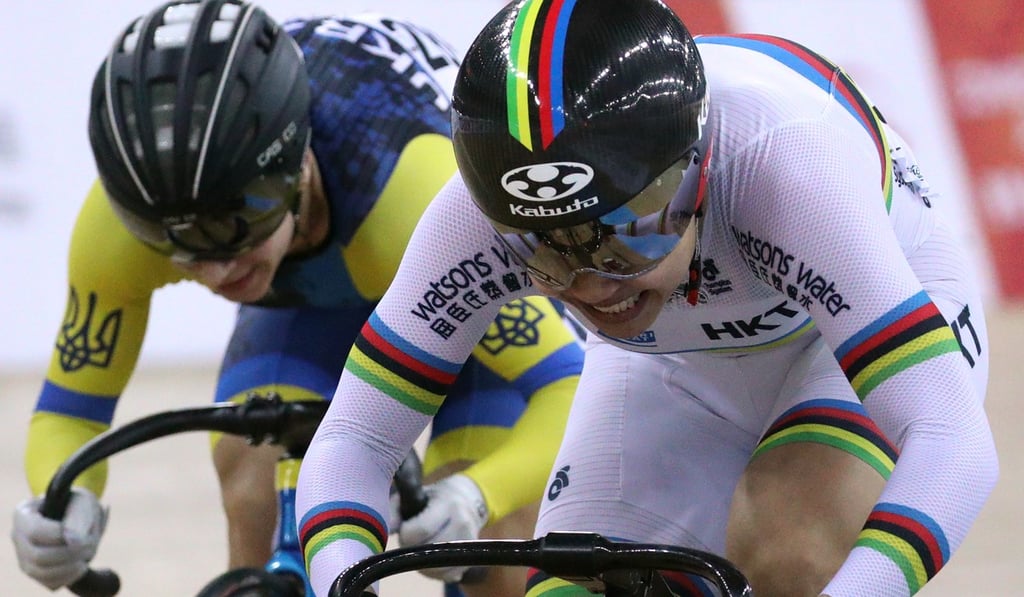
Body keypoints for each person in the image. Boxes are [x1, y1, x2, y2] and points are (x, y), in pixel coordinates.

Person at [295, 0, 1000, 596]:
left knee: (792, 548)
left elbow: (954, 442)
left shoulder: (783, 166)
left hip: (838, 336)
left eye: (627, 239)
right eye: (547, 255)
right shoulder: (472, 219)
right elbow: (355, 437)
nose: (595, 287)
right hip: (673, 358)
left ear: (698, 171)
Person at [10, 2, 584, 596]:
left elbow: (568, 384)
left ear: (298, 167)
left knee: (490, 551)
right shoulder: (125, 219)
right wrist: (62, 498)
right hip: (316, 304)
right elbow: (71, 410)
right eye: (172, 244)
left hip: (449, 294)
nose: (213, 271)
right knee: (256, 481)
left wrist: (476, 493)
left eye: (236, 223)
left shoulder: (418, 201)